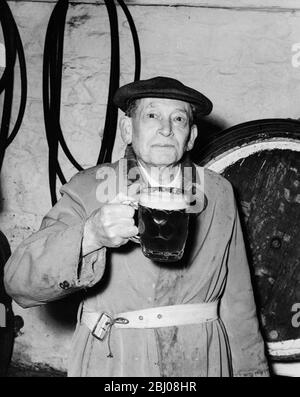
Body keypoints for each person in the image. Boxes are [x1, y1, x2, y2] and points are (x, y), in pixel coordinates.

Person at [4, 76, 269, 377]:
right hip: (116, 358)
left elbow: (238, 299)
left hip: (201, 357)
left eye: (178, 119)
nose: (166, 129)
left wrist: (253, 372)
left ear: (191, 136)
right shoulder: (90, 188)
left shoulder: (218, 192)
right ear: (128, 129)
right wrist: (90, 235)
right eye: (152, 115)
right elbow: (18, 282)